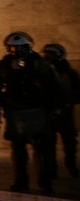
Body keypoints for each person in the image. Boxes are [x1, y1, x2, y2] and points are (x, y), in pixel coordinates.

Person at [0, 32, 63, 194]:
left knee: (41, 149)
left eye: (19, 48)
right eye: (12, 48)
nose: (16, 51)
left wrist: (54, 109)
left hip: (37, 110)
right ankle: (21, 180)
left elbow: (53, 87)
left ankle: (45, 181)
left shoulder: (40, 63)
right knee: (19, 149)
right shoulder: (4, 65)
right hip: (16, 112)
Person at [42, 43, 79, 178]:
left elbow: (76, 92)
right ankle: (51, 170)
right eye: (46, 54)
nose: (47, 57)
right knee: (48, 145)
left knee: (69, 143)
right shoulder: (43, 72)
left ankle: (71, 166)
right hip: (49, 113)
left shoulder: (68, 72)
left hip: (65, 113)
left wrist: (66, 104)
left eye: (50, 54)